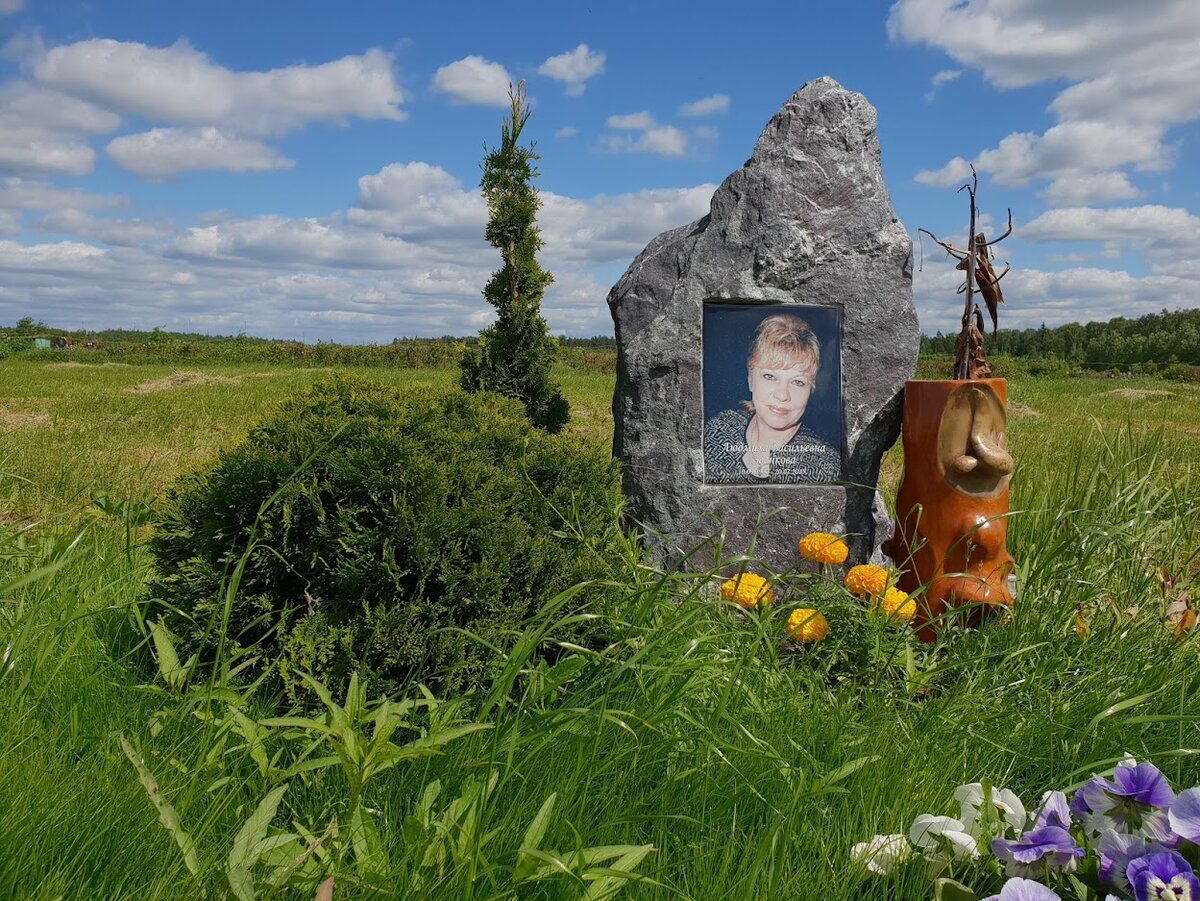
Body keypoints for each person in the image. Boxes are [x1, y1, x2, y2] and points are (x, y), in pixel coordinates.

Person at [704, 313, 841, 483]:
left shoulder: (824, 465)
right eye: (770, 377)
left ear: (811, 389)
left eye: (798, 382)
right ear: (750, 380)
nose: (782, 395)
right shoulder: (718, 429)